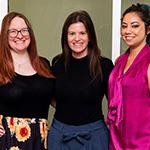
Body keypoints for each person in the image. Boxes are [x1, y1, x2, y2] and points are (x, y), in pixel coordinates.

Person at [48, 10, 114, 150]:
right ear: (66, 37)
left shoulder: (104, 65)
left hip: (94, 137)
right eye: (72, 33)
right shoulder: (57, 63)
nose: (77, 38)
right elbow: (49, 97)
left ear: (90, 36)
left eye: (82, 33)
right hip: (60, 136)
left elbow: (116, 104)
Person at [0, 12, 54, 150]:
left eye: (24, 30)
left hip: (39, 140)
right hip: (7, 140)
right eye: (13, 31)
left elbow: (57, 99)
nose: (20, 35)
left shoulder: (44, 64)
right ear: (5, 35)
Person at [107, 3, 150, 149]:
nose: (128, 31)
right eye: (124, 26)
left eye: (135, 26)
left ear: (148, 29)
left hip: (142, 141)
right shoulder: (120, 61)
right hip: (116, 138)